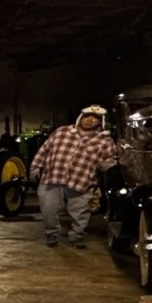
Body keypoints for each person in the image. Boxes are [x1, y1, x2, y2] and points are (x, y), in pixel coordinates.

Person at [30, 104, 118, 247]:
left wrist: (107, 164)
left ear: (100, 121)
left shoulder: (105, 140)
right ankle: (51, 235)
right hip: (53, 177)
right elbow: (43, 150)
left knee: (80, 212)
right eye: (87, 116)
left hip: (82, 180)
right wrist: (35, 169)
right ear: (80, 117)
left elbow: (112, 158)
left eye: (95, 118)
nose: (90, 120)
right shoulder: (61, 132)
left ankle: (76, 237)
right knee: (48, 210)